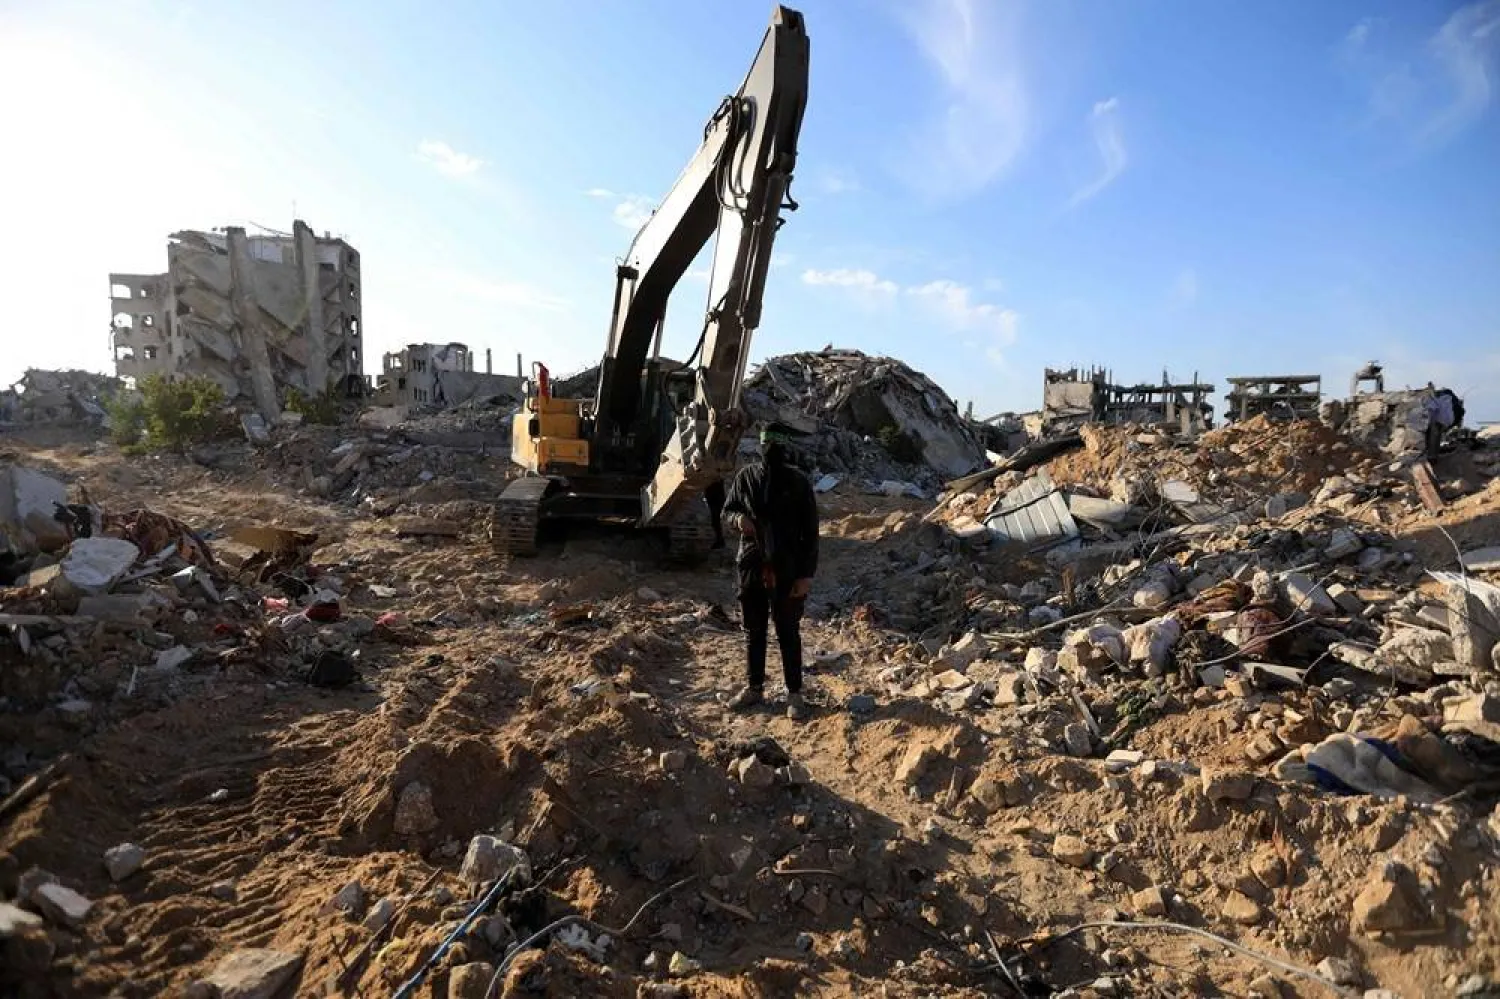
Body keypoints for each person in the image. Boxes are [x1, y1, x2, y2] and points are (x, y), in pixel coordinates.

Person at [721, 422, 819, 720]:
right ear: (760, 446)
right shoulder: (746, 477)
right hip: (751, 564)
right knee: (754, 630)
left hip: (788, 567)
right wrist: (738, 520)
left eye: (775, 446)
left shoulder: (799, 483)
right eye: (767, 445)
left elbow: (811, 533)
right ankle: (754, 688)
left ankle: (794, 693)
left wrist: (805, 576)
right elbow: (727, 511)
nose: (770, 451)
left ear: (784, 447)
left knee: (788, 630)